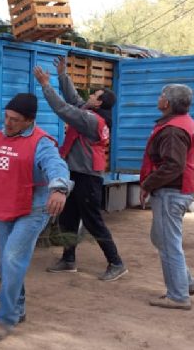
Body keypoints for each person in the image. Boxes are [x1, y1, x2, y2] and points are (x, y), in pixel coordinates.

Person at [0, 93, 72, 342]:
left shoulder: (41, 142)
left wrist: (58, 188)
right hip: (4, 205)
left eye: (15, 119)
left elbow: (56, 165)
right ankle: (18, 307)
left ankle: (5, 318)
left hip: (32, 209)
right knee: (5, 263)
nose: (8, 123)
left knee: (13, 259)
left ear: (29, 121)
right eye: (6, 117)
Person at [34, 58, 128, 281]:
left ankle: (116, 262)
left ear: (98, 103)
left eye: (95, 95)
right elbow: (74, 100)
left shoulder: (91, 120)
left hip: (87, 178)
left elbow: (64, 109)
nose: (91, 95)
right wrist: (62, 75)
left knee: (93, 222)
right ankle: (68, 259)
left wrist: (46, 85)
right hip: (75, 173)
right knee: (68, 217)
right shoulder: (88, 113)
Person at [140, 84, 194, 310]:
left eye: (161, 95)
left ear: (167, 103)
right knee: (162, 239)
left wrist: (148, 183)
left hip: (171, 192)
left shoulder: (173, 130)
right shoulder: (184, 122)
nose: (158, 98)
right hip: (178, 191)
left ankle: (178, 296)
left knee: (169, 244)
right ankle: (186, 283)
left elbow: (173, 166)